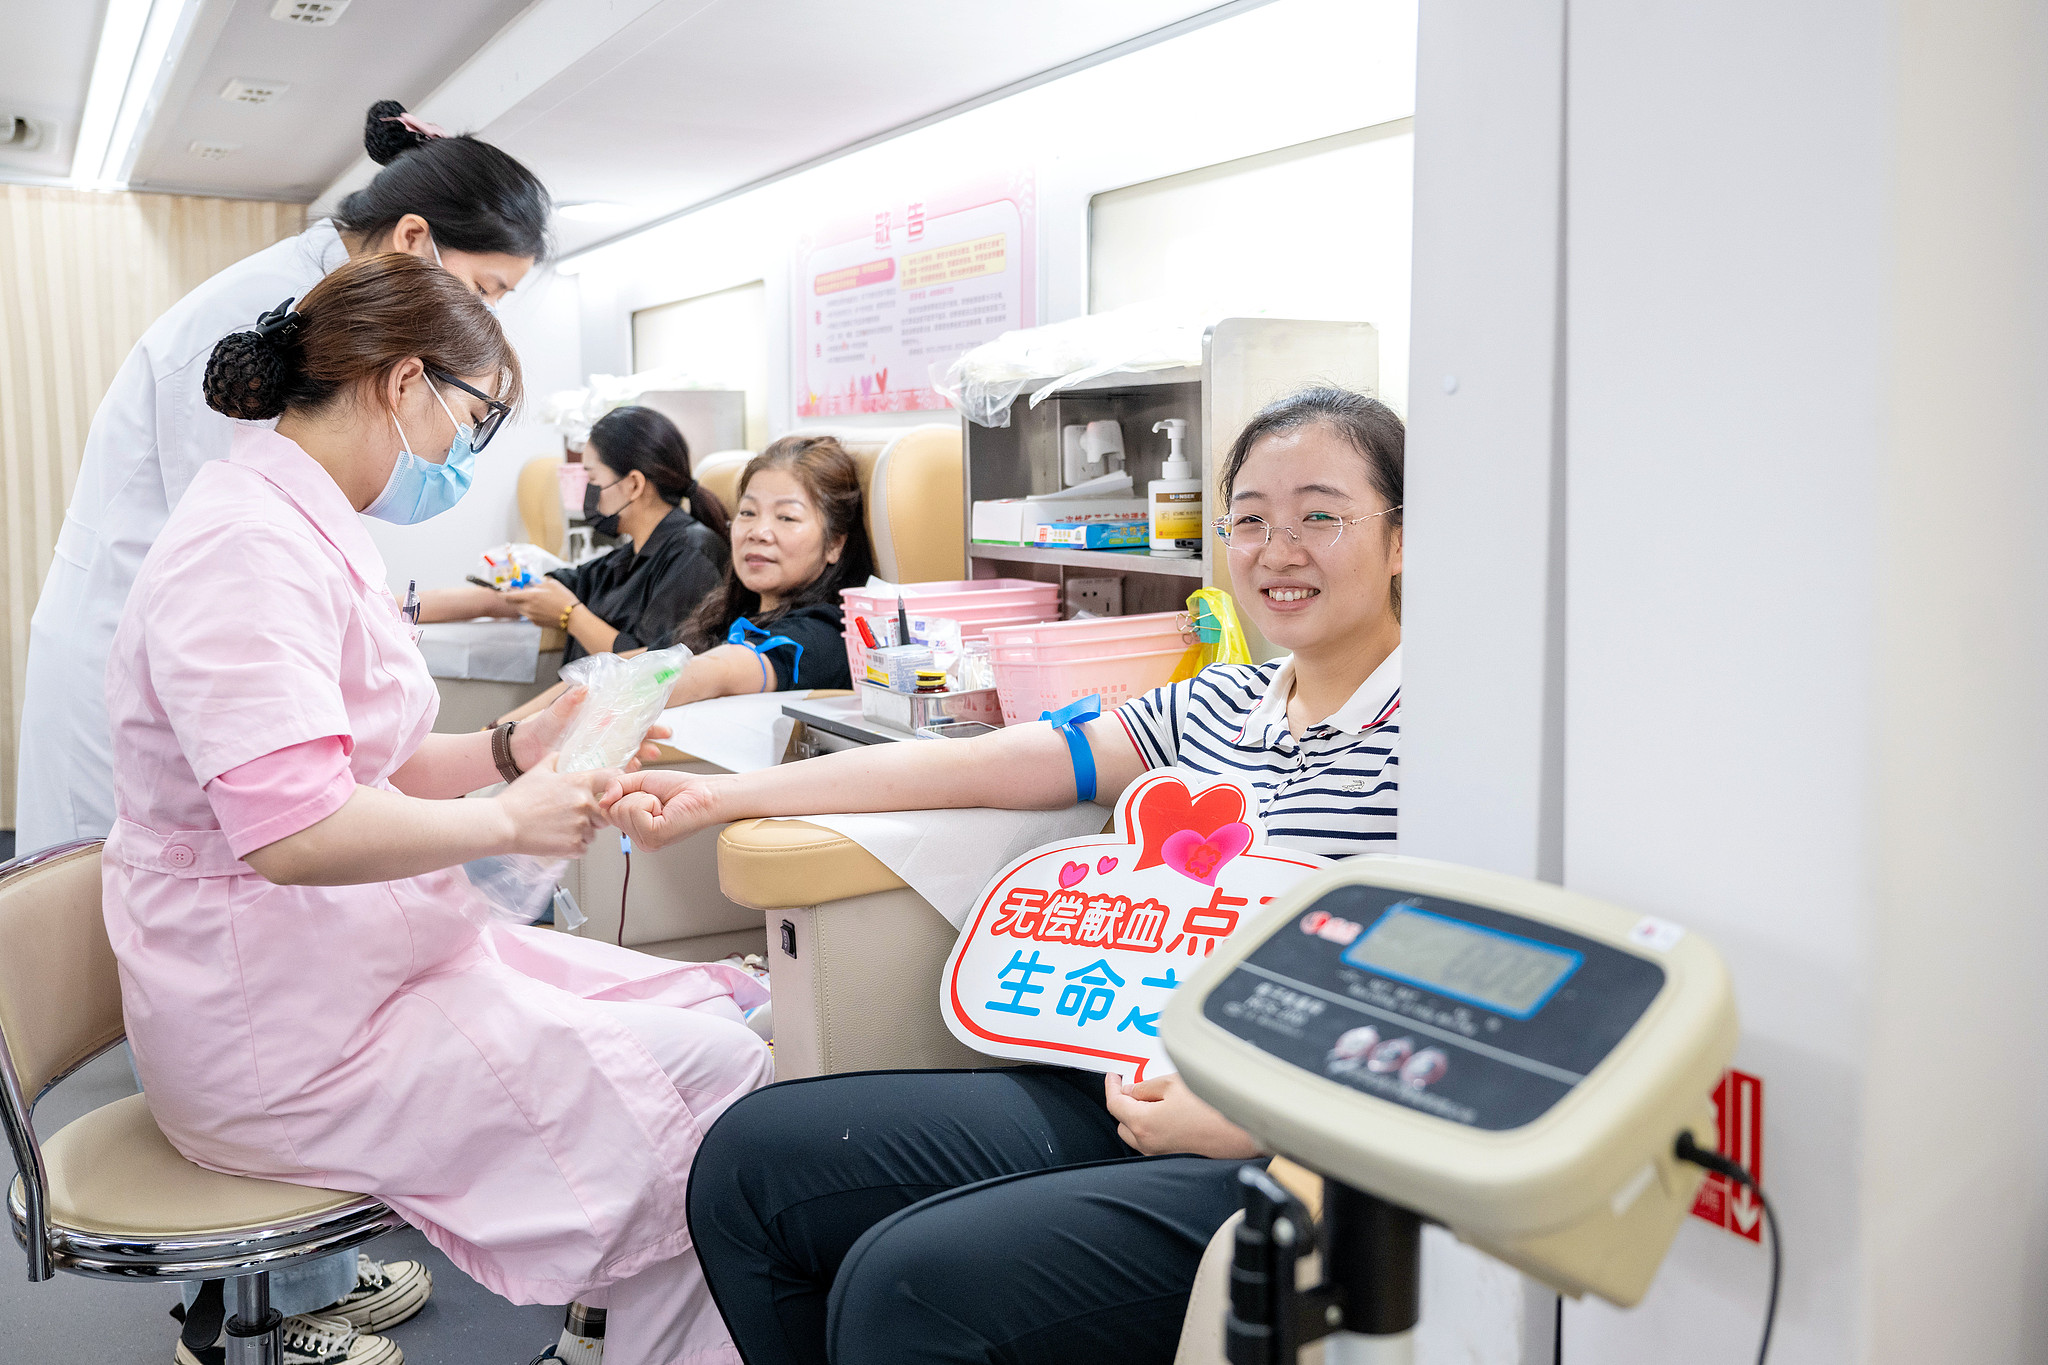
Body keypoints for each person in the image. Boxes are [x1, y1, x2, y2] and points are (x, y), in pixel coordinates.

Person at [600, 387, 1404, 1365]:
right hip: (1113, 1077)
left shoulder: (1440, 740)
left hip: (1283, 1138)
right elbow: (983, 762)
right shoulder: (1220, 705)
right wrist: (733, 798)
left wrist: (1261, 1113)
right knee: (747, 1165)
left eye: (1319, 515)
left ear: (1400, 538)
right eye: (1249, 520)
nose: (1277, 549)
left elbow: (1443, 1007)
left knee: (907, 1285)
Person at [105, 254, 770, 1365]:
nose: (469, 453)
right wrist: (512, 821)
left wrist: (519, 744)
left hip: (347, 972)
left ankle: (608, 1339)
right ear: (403, 381)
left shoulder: (303, 522)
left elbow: (377, 759)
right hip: (284, 1029)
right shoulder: (244, 551)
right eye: (476, 416)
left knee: (725, 1020)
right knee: (720, 1099)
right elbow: (297, 828)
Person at [17, 98, 548, 855]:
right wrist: (506, 820)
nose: (483, 322)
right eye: (484, 291)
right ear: (412, 239)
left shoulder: (336, 327)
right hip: (136, 670)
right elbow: (242, 563)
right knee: (109, 924)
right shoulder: (261, 319)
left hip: (207, 679)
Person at [497, 434, 869, 724]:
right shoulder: (721, 615)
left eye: (786, 517)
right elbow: (623, 667)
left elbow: (714, 673)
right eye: (748, 512)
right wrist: (502, 730)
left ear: (835, 543)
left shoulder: (824, 632)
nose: (758, 531)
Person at [418, 405, 729, 664]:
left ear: (633, 484)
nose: (588, 493)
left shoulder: (693, 554)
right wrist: (393, 607)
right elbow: (501, 600)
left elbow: (654, 667)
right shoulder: (623, 560)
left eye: (593, 477)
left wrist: (572, 615)